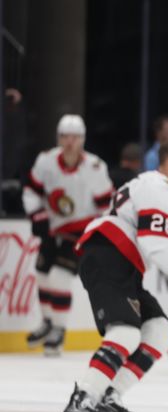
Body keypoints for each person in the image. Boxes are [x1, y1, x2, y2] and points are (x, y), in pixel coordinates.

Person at [57, 136, 168, 412]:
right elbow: (153, 242)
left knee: (160, 331)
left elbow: (148, 242)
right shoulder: (158, 189)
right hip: (109, 256)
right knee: (126, 332)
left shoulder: (149, 185)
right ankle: (83, 401)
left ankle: (107, 395)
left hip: (120, 262)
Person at [22, 114, 114, 356]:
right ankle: (48, 322)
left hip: (81, 232)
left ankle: (59, 330)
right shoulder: (46, 161)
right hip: (52, 229)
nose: (70, 142)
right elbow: (31, 191)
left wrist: (101, 232)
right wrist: (37, 214)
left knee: (60, 277)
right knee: (41, 275)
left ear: (82, 139)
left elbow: (107, 204)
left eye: (75, 137)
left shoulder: (95, 167)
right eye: (65, 136)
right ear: (58, 138)